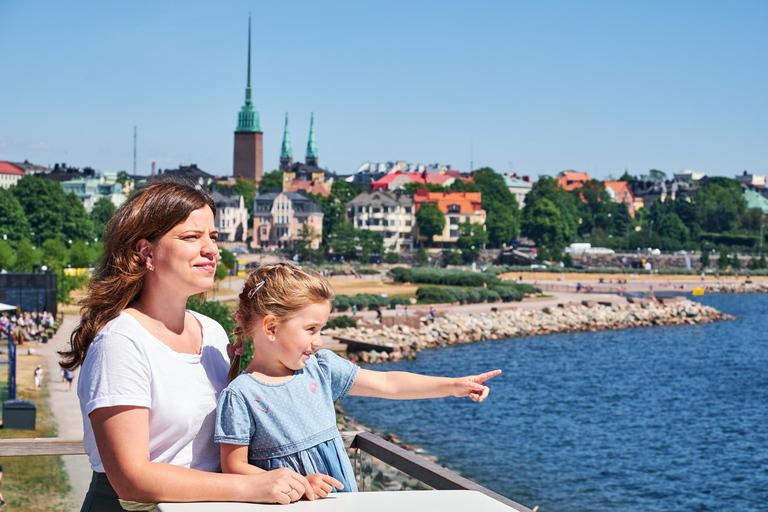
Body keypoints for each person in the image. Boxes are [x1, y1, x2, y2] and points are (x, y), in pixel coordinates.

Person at [59, 180, 315, 511]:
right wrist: (251, 485)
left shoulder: (210, 332)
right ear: (146, 251)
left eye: (214, 237)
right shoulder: (120, 343)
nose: (211, 249)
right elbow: (130, 478)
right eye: (192, 237)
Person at [215, 263, 501, 497]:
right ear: (272, 327)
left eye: (321, 329)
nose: (318, 341)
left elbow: (389, 384)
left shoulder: (321, 369)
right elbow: (233, 466)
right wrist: (298, 485)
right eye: (311, 329)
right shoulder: (241, 395)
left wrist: (453, 386)